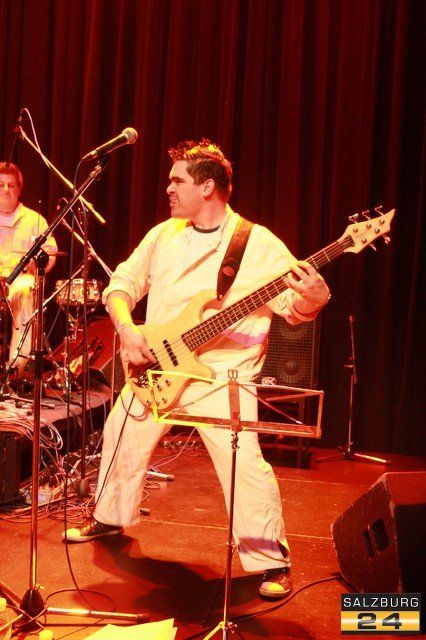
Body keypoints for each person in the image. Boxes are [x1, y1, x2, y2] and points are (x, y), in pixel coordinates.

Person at [63, 139, 330, 600]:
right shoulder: (163, 235)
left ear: (207, 187)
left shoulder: (257, 243)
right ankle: (108, 517)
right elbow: (123, 283)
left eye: (177, 181)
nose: (168, 189)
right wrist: (127, 328)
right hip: (158, 366)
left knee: (243, 462)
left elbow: (293, 305)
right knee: (122, 432)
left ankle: (270, 559)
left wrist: (315, 299)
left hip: (223, 376)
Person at [0, 161, 57, 379]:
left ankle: (17, 368)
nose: (6, 189)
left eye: (11, 185)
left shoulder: (35, 220)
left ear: (19, 189)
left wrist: (39, 263)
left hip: (20, 280)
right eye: (1, 185)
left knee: (26, 289)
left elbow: (50, 253)